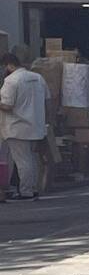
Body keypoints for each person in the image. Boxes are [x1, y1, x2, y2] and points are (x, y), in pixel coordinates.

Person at [1, 51, 52, 201]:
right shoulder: (38, 78)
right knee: (31, 159)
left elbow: (7, 105)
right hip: (36, 126)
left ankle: (26, 191)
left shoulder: (11, 81)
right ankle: (33, 188)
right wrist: (47, 120)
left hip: (17, 127)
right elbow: (48, 101)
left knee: (22, 161)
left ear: (9, 65)